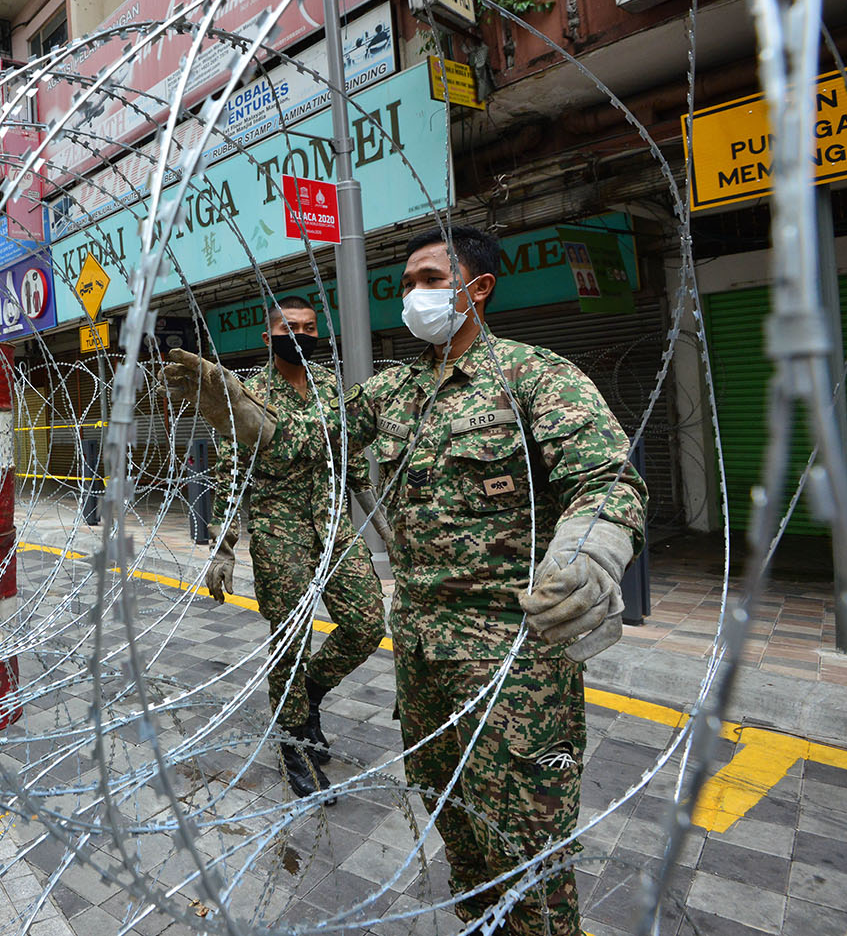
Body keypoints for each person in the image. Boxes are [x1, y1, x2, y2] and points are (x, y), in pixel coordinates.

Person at [340, 226, 648, 936]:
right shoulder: (392, 390)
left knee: (526, 845)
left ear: (476, 288)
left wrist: (590, 548)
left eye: (426, 279)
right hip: (421, 654)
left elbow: (606, 480)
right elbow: (308, 438)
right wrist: (237, 410)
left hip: (511, 659)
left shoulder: (534, 375)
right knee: (451, 813)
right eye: (405, 284)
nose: (411, 296)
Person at [206, 296, 383, 801]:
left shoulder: (329, 385)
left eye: (309, 329)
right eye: (290, 328)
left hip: (333, 525)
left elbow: (347, 450)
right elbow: (230, 473)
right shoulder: (249, 394)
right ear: (269, 337)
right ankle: (292, 745)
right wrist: (224, 547)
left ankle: (306, 697)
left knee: (367, 623)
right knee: (290, 642)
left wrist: (373, 507)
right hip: (279, 531)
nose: (301, 336)